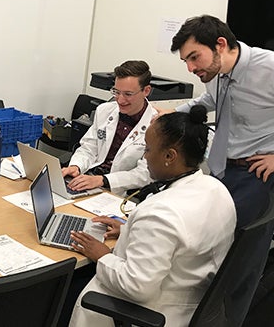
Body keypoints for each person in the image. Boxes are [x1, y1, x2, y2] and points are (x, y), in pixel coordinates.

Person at [68, 105, 236, 326]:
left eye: (147, 149)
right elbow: (184, 235)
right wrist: (128, 228)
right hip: (195, 299)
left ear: (169, 156)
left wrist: (101, 254)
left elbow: (136, 288)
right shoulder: (216, 188)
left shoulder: (159, 215)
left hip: (152, 311)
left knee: (68, 289)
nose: (145, 156)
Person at [169, 14, 274, 227]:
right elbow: (211, 98)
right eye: (186, 61)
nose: (190, 68)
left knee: (239, 249)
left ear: (220, 45)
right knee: (210, 237)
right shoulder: (214, 71)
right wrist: (171, 114)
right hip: (223, 167)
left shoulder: (269, 67)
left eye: (194, 57)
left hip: (257, 172)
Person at [61, 60, 157, 196]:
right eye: (116, 92)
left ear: (146, 91)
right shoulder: (104, 110)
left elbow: (145, 173)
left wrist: (103, 180)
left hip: (120, 191)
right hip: (90, 179)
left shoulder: (157, 125)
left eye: (128, 94)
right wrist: (76, 166)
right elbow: (89, 147)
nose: (120, 100)